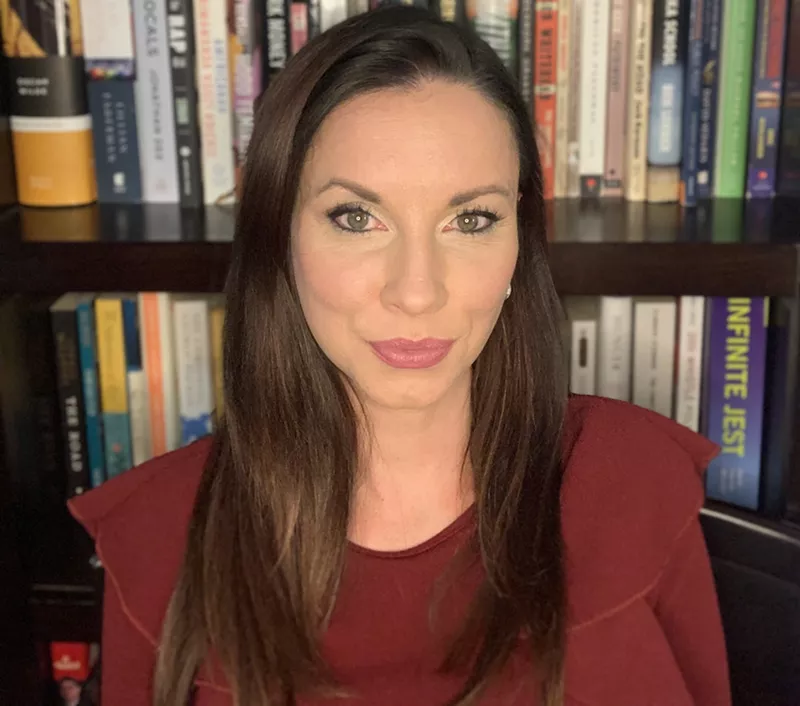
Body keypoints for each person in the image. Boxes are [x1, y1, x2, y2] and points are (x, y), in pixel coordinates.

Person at [68, 6, 732, 706]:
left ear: (517, 246)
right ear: (280, 241)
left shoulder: (630, 486)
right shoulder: (158, 539)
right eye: (356, 218)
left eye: (470, 220)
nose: (417, 291)